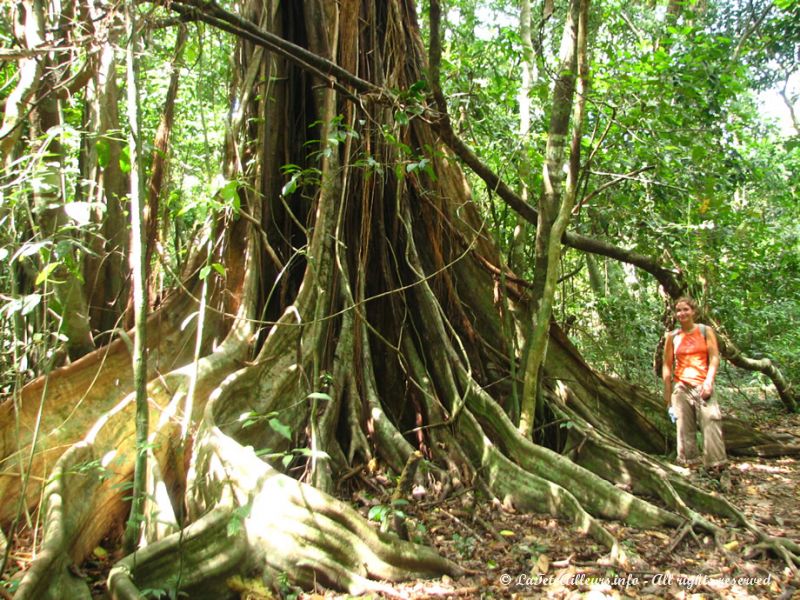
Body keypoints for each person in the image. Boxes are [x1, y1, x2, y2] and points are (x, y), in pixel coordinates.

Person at [662, 297, 727, 471]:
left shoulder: (705, 331)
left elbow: (714, 357)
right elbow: (667, 365)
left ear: (693, 312)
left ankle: (716, 465)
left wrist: (709, 381)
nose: (682, 313)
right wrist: (668, 396)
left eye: (685, 310)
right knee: (684, 428)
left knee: (711, 421)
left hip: (703, 385)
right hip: (681, 387)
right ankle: (689, 465)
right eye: (678, 310)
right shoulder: (672, 336)